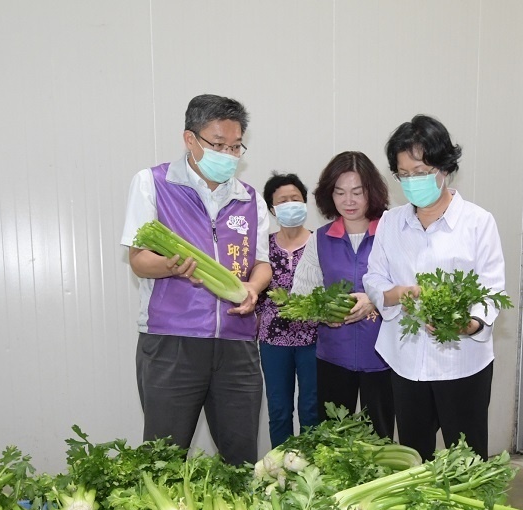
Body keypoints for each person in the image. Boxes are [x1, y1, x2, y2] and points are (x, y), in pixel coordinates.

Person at [120, 93, 271, 465]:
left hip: (237, 345)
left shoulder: (250, 198)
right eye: (218, 144)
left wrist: (252, 288)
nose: (229, 155)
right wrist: (173, 266)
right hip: (173, 340)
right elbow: (138, 260)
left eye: (236, 146)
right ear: (190, 139)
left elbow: (263, 262)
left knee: (241, 458)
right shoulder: (152, 183)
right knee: (164, 458)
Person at [362, 115, 505, 461]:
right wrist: (399, 294)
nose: (413, 182)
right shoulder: (391, 222)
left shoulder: (476, 221)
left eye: (422, 172)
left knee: (467, 460)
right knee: (414, 458)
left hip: (462, 363)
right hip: (405, 360)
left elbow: (491, 287)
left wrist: (469, 323)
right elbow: (374, 277)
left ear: (444, 167)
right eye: (404, 174)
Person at [291, 152, 395, 438]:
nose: (348, 201)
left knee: (381, 438)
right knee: (335, 438)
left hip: (383, 357)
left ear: (371, 193)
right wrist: (321, 313)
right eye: (339, 192)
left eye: (357, 192)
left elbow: (407, 287)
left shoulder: (392, 232)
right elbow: (302, 293)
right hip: (333, 356)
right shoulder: (320, 238)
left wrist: (374, 299)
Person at [258, 172, 319, 448]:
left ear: (305, 203)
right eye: (282, 201)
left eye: (295, 198)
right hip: (273, 340)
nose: (290, 204)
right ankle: (280, 467)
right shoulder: (263, 247)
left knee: (312, 409)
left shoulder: (321, 242)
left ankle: (312, 467)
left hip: (314, 340)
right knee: (279, 410)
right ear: (272, 209)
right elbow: (256, 291)